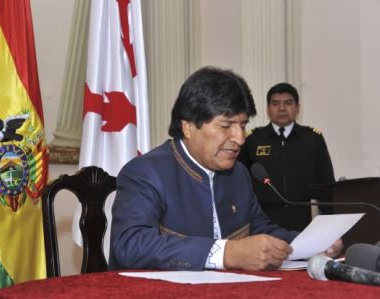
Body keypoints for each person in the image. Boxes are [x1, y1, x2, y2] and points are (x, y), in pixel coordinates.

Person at [109, 67, 341, 271]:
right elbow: (129, 244)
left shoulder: (238, 173)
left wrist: (308, 244)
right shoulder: (145, 172)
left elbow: (259, 228)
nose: (240, 138)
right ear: (188, 126)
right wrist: (228, 253)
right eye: (225, 125)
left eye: (242, 125)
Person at [238, 82, 335, 231]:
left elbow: (326, 181)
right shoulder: (253, 139)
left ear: (297, 108)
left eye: (288, 103)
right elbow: (241, 181)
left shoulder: (312, 139)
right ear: (268, 109)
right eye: (276, 103)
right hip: (263, 218)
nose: (282, 108)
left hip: (303, 217)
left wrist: (330, 225)